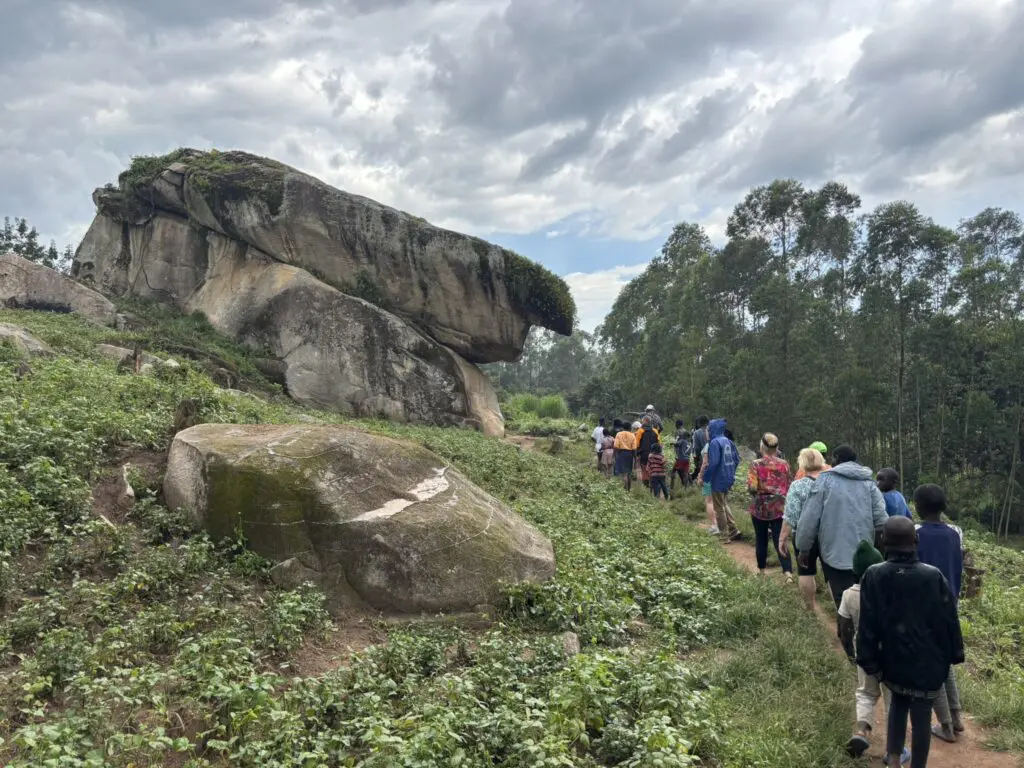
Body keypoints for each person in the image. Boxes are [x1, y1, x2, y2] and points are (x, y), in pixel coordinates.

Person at [858, 517, 965, 768]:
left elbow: (867, 624)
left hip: (893, 660)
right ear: (915, 541)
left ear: (883, 542)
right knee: (922, 715)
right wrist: (954, 654)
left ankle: (894, 760)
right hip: (929, 661)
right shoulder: (933, 576)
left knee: (898, 703)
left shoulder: (873, 575)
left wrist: (868, 660)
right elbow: (950, 620)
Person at [841, 541, 912, 764]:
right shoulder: (892, 592)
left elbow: (844, 629)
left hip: (865, 651)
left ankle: (861, 731)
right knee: (894, 699)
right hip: (892, 653)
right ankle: (896, 750)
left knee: (866, 693)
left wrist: (851, 653)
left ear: (854, 570)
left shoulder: (849, 595)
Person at [795, 445, 888, 608]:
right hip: (865, 553)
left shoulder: (824, 481)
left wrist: (804, 548)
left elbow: (809, 518)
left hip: (834, 553)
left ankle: (845, 628)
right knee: (864, 598)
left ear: (837, 459)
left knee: (842, 598)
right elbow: (881, 521)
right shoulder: (869, 483)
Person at [913, 484, 965, 743]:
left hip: (923, 606)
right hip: (950, 603)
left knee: (929, 663)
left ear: (918, 507)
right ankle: (956, 717)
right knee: (943, 659)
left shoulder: (915, 532)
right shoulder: (956, 532)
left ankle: (945, 724)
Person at [780, 448, 828, 608]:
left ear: (802, 465)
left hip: (803, 535)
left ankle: (810, 608)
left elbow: (790, 516)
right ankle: (840, 609)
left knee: (806, 572)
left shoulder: (797, 486)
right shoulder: (831, 484)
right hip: (828, 534)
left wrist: (782, 537)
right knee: (832, 572)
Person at [746, 432, 793, 581]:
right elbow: (789, 485)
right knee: (781, 538)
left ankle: (761, 571)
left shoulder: (756, 464)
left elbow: (752, 488)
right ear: (777, 447)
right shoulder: (785, 464)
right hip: (779, 507)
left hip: (760, 507)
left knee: (761, 539)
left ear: (762, 446)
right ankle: (788, 573)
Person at [705, 418, 742, 541]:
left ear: (713, 429)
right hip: (728, 478)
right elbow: (737, 459)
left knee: (718, 507)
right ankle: (733, 529)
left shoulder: (715, 443)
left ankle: (724, 535)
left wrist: (706, 476)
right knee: (724, 503)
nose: (708, 431)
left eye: (709, 429)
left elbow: (714, 462)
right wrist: (731, 471)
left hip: (718, 479)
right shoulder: (728, 441)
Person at [696, 425, 718, 533]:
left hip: (709, 476)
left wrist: (700, 476)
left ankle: (715, 525)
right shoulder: (720, 443)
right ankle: (722, 525)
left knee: (709, 501)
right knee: (719, 502)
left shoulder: (708, 445)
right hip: (719, 476)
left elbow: (705, 463)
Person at [636, 416, 660, 489]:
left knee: (644, 470)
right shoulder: (655, 431)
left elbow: (637, 444)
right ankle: (653, 485)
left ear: (645, 421)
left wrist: (637, 453)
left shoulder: (640, 431)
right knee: (652, 469)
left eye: (642, 421)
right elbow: (659, 443)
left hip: (644, 454)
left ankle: (646, 487)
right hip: (654, 454)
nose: (642, 422)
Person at [613, 421, 637, 491]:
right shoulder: (632, 435)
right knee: (628, 473)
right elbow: (634, 449)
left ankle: (625, 489)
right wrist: (635, 460)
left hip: (621, 454)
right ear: (630, 428)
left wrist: (614, 455)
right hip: (630, 455)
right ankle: (628, 489)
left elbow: (615, 446)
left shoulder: (619, 434)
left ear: (623, 427)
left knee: (623, 474)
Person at [671, 421, 691, 493]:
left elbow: (676, 443)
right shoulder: (688, 440)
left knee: (674, 471)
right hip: (687, 458)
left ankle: (672, 488)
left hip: (680, 458)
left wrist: (672, 443)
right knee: (686, 472)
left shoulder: (680, 436)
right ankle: (687, 487)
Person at [691, 415, 710, 482]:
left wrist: (696, 458)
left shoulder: (697, 432)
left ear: (699, 423)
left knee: (703, 475)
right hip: (713, 456)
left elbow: (696, 448)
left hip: (703, 457)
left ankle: (704, 490)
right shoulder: (711, 430)